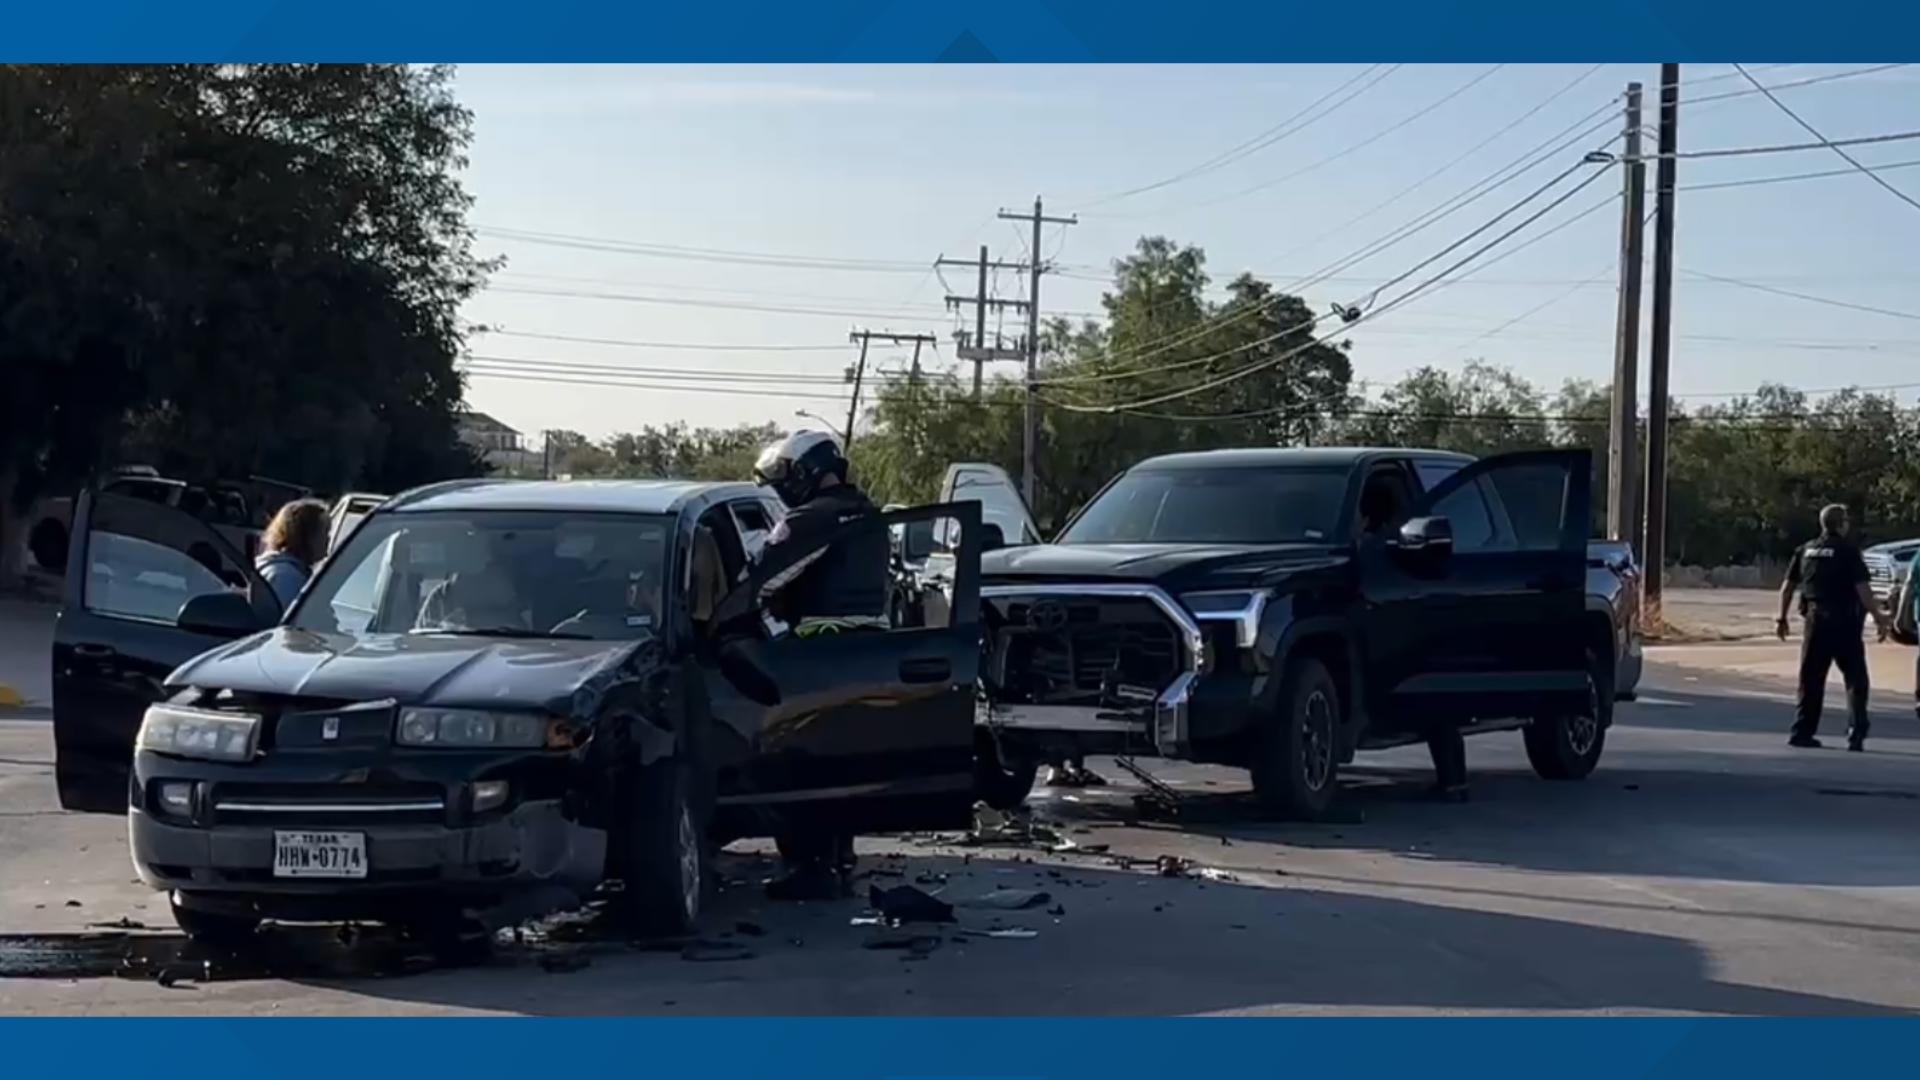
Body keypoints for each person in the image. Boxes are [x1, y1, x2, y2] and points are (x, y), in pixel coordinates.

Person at [750, 430, 891, 900]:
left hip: (815, 659)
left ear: (807, 470)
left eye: (784, 475)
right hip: (868, 655)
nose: (781, 486)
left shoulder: (812, 519)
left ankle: (810, 867)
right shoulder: (867, 514)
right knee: (842, 765)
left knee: (796, 763)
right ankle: (838, 855)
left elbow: (761, 584)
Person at [1776, 503, 1891, 751]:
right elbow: (1863, 589)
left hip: (1815, 622)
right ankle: (1856, 732)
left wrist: (1782, 618)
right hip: (1846, 623)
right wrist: (1879, 616)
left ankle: (1802, 731)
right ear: (1841, 524)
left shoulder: (1805, 550)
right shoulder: (1849, 552)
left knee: (1810, 678)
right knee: (1855, 679)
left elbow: (1787, 587)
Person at [255, 498, 329, 609]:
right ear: (305, 535)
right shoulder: (287, 578)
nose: (328, 539)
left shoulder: (289, 571)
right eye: (324, 532)